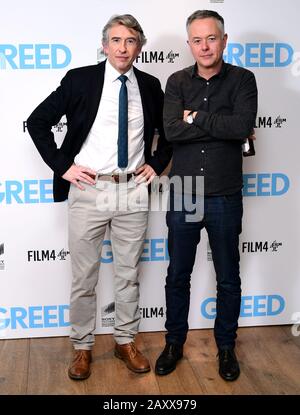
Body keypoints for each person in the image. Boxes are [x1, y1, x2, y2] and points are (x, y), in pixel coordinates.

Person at [27, 14, 172, 380]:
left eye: (131, 41)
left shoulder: (152, 86)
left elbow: (169, 133)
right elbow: (37, 120)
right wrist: (63, 166)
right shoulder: (81, 80)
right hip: (89, 188)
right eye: (116, 40)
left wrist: (155, 164)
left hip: (132, 190)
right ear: (104, 45)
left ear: (139, 46)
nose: (123, 48)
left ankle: (125, 341)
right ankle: (82, 347)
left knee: (128, 274)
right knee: (84, 277)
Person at [155, 10, 257, 381]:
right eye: (197, 40)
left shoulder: (243, 79)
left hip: (225, 192)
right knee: (177, 274)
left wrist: (194, 117)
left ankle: (226, 346)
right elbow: (170, 131)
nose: (204, 46)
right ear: (189, 44)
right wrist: (219, 126)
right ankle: (173, 343)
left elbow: (242, 126)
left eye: (211, 38)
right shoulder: (177, 81)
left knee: (228, 276)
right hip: (186, 191)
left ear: (224, 40)